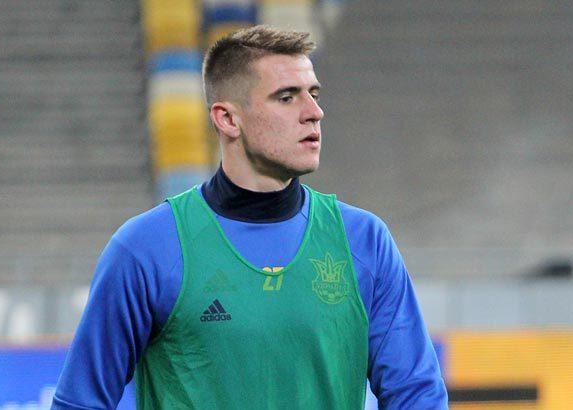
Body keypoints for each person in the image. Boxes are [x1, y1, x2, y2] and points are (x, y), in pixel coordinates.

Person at [52, 25, 448, 409]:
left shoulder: (364, 241)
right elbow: (79, 403)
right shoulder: (146, 248)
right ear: (227, 119)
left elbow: (417, 396)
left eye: (313, 94)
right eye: (287, 97)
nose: (314, 113)